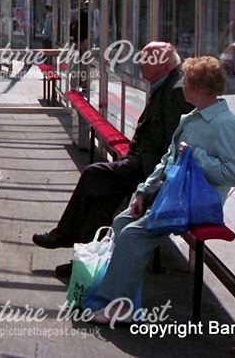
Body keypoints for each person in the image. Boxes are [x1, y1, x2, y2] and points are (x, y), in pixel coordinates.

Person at [85, 56, 235, 323]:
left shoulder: (224, 123)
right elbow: (167, 160)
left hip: (196, 203)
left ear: (197, 87)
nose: (181, 87)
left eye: (185, 82)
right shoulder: (192, 117)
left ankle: (119, 306)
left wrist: (197, 156)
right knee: (122, 221)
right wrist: (142, 191)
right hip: (173, 195)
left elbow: (234, 174)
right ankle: (118, 296)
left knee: (134, 234)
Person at [31, 42, 194, 279]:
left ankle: (65, 237)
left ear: (163, 64)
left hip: (151, 171)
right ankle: (82, 261)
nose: (139, 63)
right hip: (141, 162)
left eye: (146, 59)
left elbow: (172, 144)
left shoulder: (176, 91)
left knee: (95, 175)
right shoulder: (165, 84)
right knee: (102, 196)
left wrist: (151, 180)